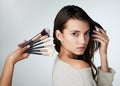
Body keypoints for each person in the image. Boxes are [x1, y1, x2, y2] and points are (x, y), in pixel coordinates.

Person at [52, 5, 115, 86]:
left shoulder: (59, 60)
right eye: (75, 34)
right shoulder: (79, 67)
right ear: (59, 35)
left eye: (86, 33)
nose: (83, 41)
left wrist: (103, 54)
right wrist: (104, 55)